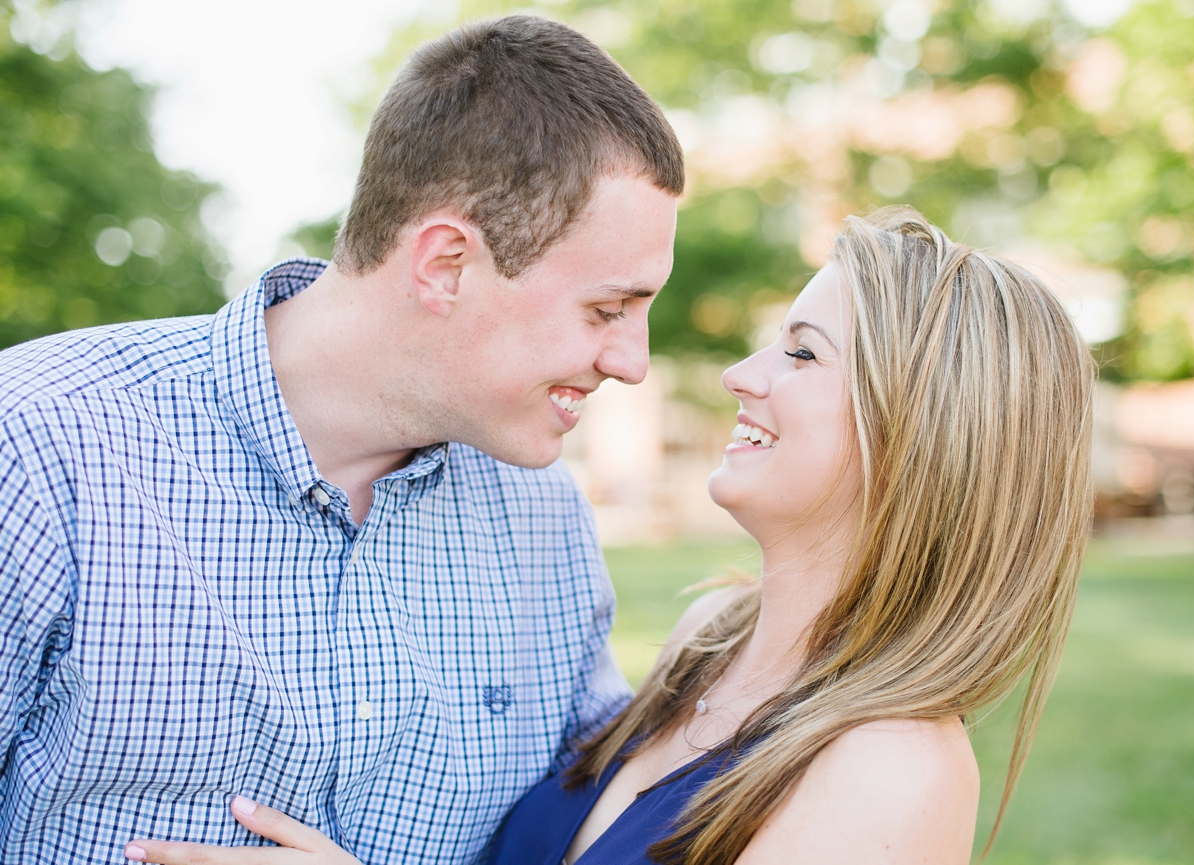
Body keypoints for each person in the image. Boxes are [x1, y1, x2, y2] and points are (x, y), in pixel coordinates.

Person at [127, 208, 1096, 865]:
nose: (743, 375)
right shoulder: (710, 644)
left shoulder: (894, 767)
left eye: (802, 353)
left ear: (917, 431)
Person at [0, 15, 683, 865]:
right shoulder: (39, 443)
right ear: (445, 265)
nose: (632, 362)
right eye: (607, 310)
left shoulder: (544, 524)